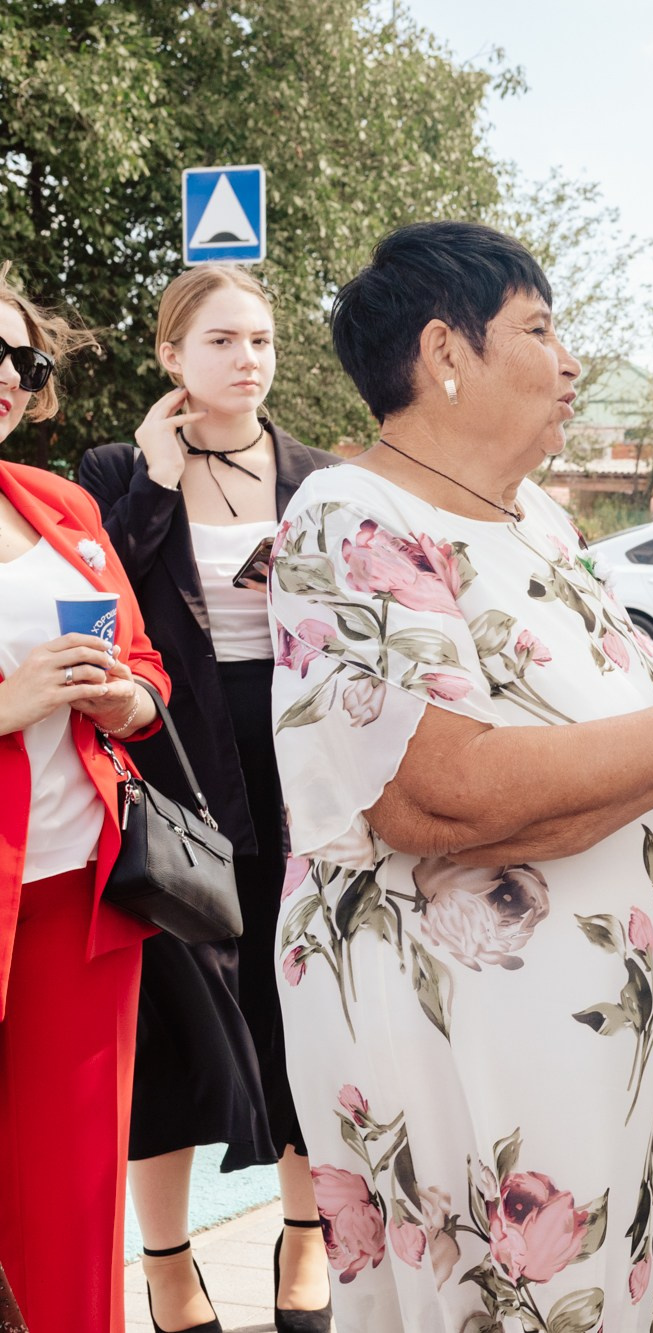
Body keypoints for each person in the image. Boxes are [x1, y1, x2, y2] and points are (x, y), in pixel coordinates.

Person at [266, 221, 653, 1331]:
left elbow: (604, 730)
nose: (571, 360)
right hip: (466, 1039)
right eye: (538, 328)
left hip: (586, 1040)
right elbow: (437, 793)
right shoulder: (353, 517)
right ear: (445, 350)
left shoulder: (534, 517)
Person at [79, 265, 341, 1333]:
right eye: (223, 340)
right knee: (178, 1021)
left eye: (264, 341)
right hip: (171, 770)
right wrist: (149, 479)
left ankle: (307, 1230)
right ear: (171, 357)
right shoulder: (109, 472)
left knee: (299, 1005)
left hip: (295, 769)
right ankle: (170, 1259)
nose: (248, 359)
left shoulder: (317, 476)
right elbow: (109, 610)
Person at [0, 267, 170, 1331]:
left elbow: (146, 667)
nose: (7, 378)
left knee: (71, 1214)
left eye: (21, 358)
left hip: (82, 901)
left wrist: (127, 700)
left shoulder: (61, 504)